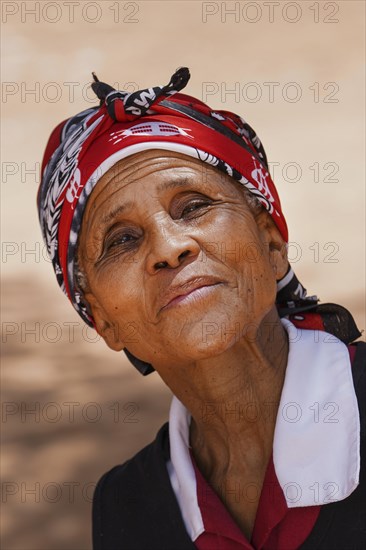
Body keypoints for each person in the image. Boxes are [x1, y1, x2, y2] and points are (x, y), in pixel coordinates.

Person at [37, 68, 365, 549]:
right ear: (102, 319)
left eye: (193, 206)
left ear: (272, 245)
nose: (169, 248)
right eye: (122, 240)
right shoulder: (125, 505)